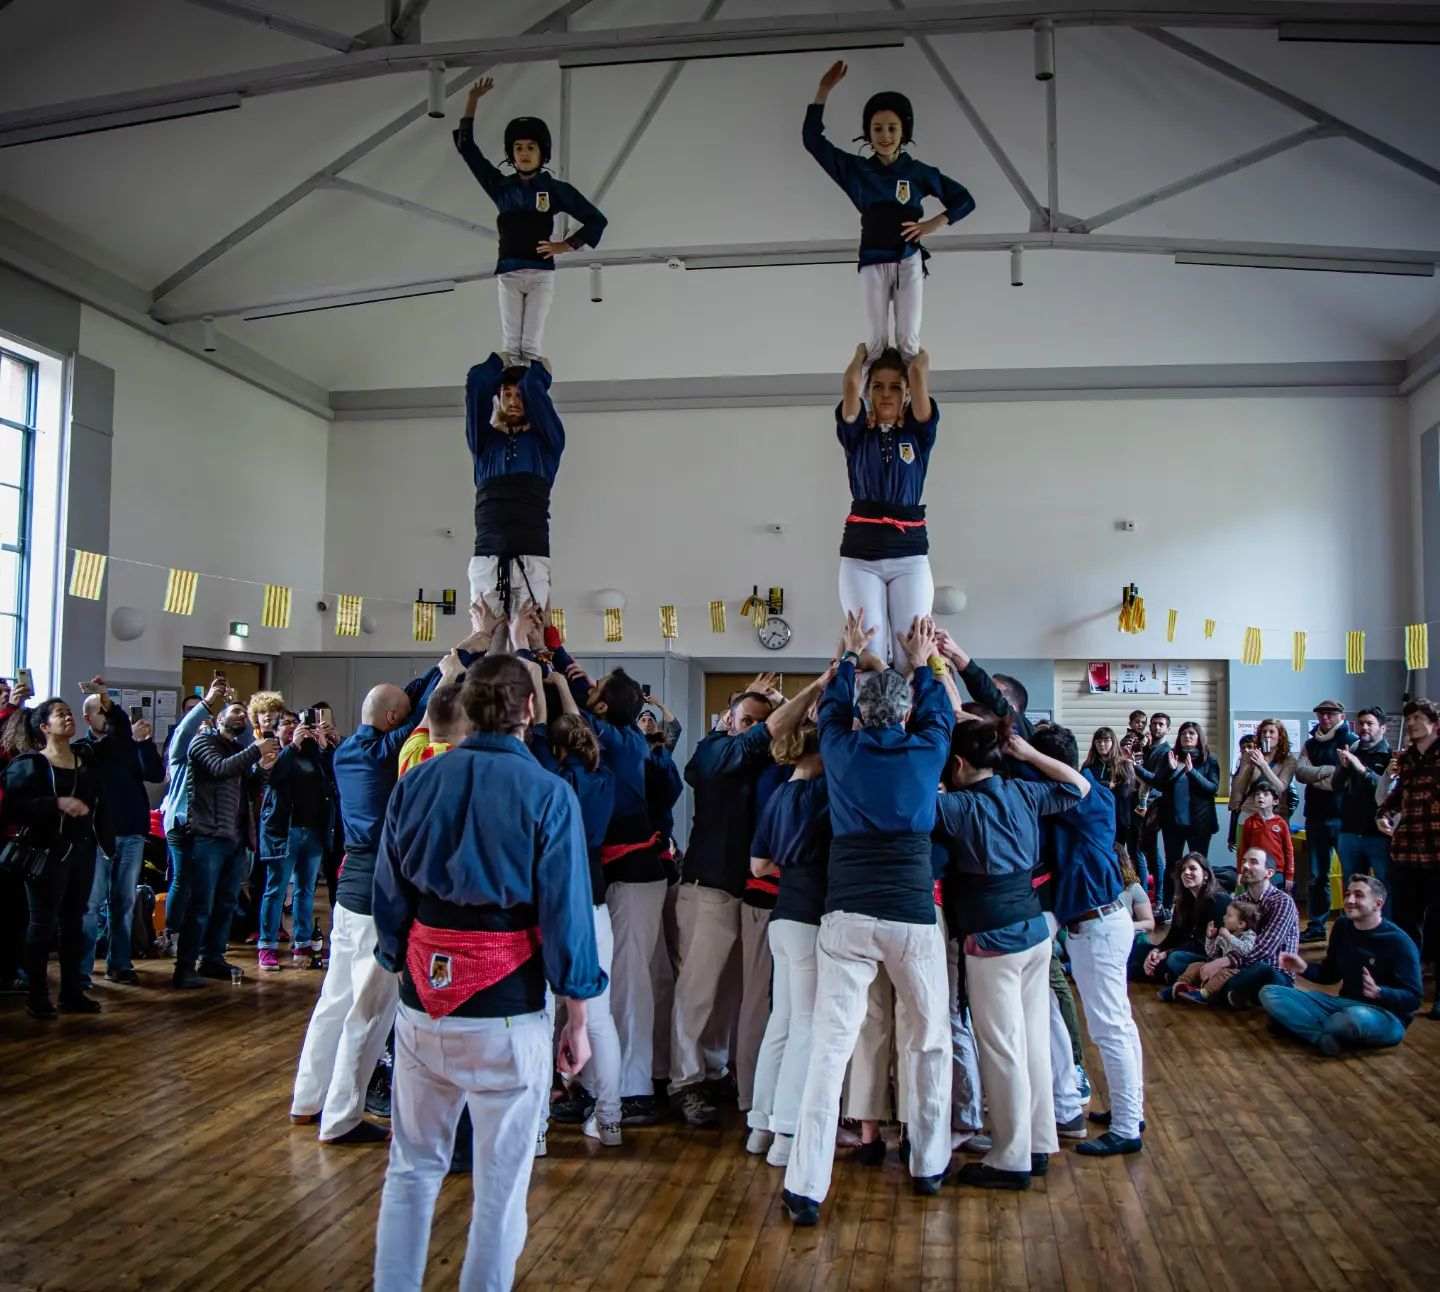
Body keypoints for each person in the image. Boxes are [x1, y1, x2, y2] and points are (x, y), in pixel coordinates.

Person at [371, 655, 604, 1292]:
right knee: (501, 1185)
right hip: (507, 1006)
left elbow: (388, 897)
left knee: (412, 1169)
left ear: (468, 710)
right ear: (530, 710)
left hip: (423, 999)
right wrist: (577, 1014)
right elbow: (566, 914)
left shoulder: (415, 783)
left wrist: (398, 961)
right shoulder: (549, 793)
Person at [781, 613, 954, 1226]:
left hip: (846, 912)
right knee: (927, 1039)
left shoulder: (839, 748)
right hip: (911, 915)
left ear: (860, 717)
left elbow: (828, 709)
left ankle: (806, 1186)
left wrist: (852, 654)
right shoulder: (928, 749)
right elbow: (941, 714)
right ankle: (929, 1163)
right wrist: (926, 658)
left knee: (831, 1048)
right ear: (904, 717)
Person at [291, 652, 453, 1146]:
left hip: (348, 887)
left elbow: (413, 699)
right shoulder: (391, 753)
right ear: (392, 722)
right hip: (378, 892)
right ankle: (341, 1117)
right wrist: (458, 661)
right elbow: (426, 712)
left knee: (334, 1000)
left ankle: (308, 1099)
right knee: (369, 1010)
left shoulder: (345, 752)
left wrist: (447, 662)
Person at [932, 715, 1088, 1192]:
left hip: (992, 936)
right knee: (1032, 1042)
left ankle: (1011, 1157)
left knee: (1001, 1049)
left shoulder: (957, 807)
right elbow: (1080, 786)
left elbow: (906, 807)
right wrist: (1029, 754)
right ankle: (1039, 1142)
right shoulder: (1023, 792)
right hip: (1035, 933)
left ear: (957, 763)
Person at [667, 674, 784, 1129]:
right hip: (707, 887)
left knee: (732, 995)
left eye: (762, 721)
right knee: (696, 991)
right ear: (730, 722)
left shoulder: (765, 762)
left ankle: (715, 1070)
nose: (753, 728)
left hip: (750, 893)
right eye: (746, 720)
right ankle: (685, 1079)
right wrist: (738, 726)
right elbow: (713, 763)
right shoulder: (714, 752)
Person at [804, 60, 975, 363]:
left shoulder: (918, 172)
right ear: (868, 134)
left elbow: (964, 199)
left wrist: (933, 223)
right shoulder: (856, 171)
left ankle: (913, 402)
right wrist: (823, 91)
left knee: (908, 341)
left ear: (904, 131)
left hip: (908, 258)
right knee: (876, 342)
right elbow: (813, 141)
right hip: (872, 259)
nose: (885, 135)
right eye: (878, 128)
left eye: (892, 128)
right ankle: (870, 406)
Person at [1029, 724, 1144, 1157]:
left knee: (1109, 1027)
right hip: (1096, 924)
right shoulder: (1083, 794)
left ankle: (1128, 1126)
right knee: (1119, 1024)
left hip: (1097, 926)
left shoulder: (1085, 797)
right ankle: (1129, 1110)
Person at [454, 76, 607, 365]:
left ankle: (534, 393)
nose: (524, 153)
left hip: (540, 275)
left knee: (531, 347)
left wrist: (568, 245)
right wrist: (472, 102)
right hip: (509, 274)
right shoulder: (501, 188)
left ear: (542, 152)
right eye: (519, 148)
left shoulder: (555, 189)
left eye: (531, 147)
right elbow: (468, 150)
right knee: (511, 348)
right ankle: (510, 403)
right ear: (511, 155)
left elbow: (596, 220)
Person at [532, 711, 623, 1147]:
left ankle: (537, 1131)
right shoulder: (604, 779)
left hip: (553, 904)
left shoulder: (553, 779)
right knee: (600, 1020)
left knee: (543, 1015)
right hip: (596, 903)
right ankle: (610, 1120)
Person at [746, 722, 830, 1169]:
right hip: (812, 918)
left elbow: (759, 865)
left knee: (781, 1023)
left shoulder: (778, 795)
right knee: (806, 1026)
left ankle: (760, 1123)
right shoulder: (824, 797)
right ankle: (787, 1132)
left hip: (783, 917)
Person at [833, 342, 938, 665]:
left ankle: (915, 713)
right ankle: (871, 712)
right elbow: (850, 383)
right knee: (869, 648)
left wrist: (914, 355)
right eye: (878, 387)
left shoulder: (918, 434)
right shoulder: (856, 435)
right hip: (861, 556)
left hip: (909, 555)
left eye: (896, 387)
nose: (887, 394)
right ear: (868, 393)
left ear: (907, 393)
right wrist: (862, 355)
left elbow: (919, 371)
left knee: (913, 648)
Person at [2, 698, 101, 1019]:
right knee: (42, 926)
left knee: (75, 925)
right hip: (46, 854)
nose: (68, 718)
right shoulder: (30, 764)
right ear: (44, 727)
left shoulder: (84, 760)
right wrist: (56, 803)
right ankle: (38, 994)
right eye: (61, 715)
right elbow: (14, 808)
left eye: (70, 714)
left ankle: (72, 993)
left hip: (81, 852)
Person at [462, 347, 567, 642]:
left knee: (531, 634)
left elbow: (535, 389)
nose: (513, 401)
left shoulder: (545, 444)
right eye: (507, 394)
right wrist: (500, 361)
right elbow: (475, 386)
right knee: (484, 635)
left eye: (519, 395)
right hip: (487, 553)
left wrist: (534, 366)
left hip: (531, 551)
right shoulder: (485, 445)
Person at [173, 702, 277, 987]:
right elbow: (219, 769)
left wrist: (264, 770)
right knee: (201, 905)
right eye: (235, 711)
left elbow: (248, 787)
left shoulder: (237, 750)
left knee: (226, 902)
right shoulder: (203, 742)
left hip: (235, 837)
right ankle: (184, 967)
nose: (241, 715)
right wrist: (257, 750)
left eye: (244, 713)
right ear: (219, 719)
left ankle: (213, 958)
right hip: (208, 835)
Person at [1262, 875, 1423, 1054]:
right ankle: (1321, 1037)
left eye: (1359, 895)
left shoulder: (1398, 941)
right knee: (1270, 993)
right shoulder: (1342, 926)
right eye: (1347, 894)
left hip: (1384, 1015)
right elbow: (1330, 974)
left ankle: (1302, 1027)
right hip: (1342, 1004)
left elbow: (1414, 999)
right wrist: (1303, 968)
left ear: (1378, 904)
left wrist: (1380, 992)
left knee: (1349, 1019)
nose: (1350, 900)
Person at [73, 681, 164, 984]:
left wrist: (144, 744)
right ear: (88, 719)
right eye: (101, 712)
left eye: (107, 711)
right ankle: (82, 969)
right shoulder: (85, 750)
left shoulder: (128, 744)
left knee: (124, 902)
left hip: (132, 831)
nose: (107, 717)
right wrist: (126, 735)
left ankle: (120, 963)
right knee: (91, 903)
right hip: (100, 836)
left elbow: (154, 773)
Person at [257, 712, 338, 972]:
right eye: (286, 724)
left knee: (306, 889)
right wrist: (292, 746)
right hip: (285, 831)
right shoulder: (275, 755)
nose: (293, 728)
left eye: (297, 723)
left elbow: (332, 779)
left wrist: (325, 747)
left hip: (313, 830)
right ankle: (267, 945)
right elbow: (273, 778)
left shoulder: (314, 757)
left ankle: (303, 941)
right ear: (277, 731)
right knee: (276, 889)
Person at [1377, 698, 1440, 1018]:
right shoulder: (1408, 758)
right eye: (1409, 718)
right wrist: (1384, 811)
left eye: (1418, 717)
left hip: (1436, 850)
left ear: (1434, 722)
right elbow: (1399, 792)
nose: (1412, 723)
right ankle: (1407, 988)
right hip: (1406, 851)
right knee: (1405, 922)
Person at [160, 676, 230, 958]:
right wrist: (208, 703)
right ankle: (172, 932)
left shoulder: (218, 755)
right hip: (181, 822)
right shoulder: (180, 755)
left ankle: (201, 942)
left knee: (206, 886)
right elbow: (184, 731)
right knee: (182, 878)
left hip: (209, 826)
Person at [1184, 846, 1299, 1008]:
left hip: (1272, 971)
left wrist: (1224, 961)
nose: (1245, 866)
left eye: (1253, 862)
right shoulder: (1239, 900)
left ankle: (1219, 991)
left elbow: (1264, 950)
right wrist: (1214, 948)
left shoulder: (1282, 902)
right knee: (1182, 961)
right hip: (1238, 966)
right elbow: (1226, 942)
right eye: (1244, 861)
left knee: (1258, 970)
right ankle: (1226, 993)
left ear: (1269, 873)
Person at [1296, 700, 1357, 944]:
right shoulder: (1310, 743)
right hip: (1316, 817)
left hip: (1344, 818)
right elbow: (1300, 773)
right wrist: (1330, 773)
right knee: (1316, 876)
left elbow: (1348, 778)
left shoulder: (1352, 740)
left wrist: (1317, 775)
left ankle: (1350, 925)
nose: (1325, 718)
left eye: (1330, 714)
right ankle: (1317, 925)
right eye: (1321, 714)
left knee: (1350, 875)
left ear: (1340, 715)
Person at [1153, 721, 1219, 914]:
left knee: (1198, 867)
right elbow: (1159, 785)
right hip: (1173, 823)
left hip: (1199, 824)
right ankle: (1166, 907)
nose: (1187, 737)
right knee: (1172, 866)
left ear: (1199, 737)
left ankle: (1200, 907)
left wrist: (1192, 773)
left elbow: (1211, 788)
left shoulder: (1210, 760)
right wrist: (1170, 770)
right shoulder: (1171, 757)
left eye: (1191, 734)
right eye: (1183, 734)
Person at [1137, 853, 1231, 985]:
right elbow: (1173, 936)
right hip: (1184, 950)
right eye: (1183, 870)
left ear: (1205, 874)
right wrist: (1157, 950)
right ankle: (1163, 974)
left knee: (1174, 959)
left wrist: (1167, 953)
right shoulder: (1183, 901)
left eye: (1192, 868)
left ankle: (1163, 974)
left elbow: (1205, 945)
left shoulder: (1218, 900)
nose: (1186, 872)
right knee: (1140, 946)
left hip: (1209, 956)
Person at [1334, 706, 1391, 887]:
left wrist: (1360, 768)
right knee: (1352, 885)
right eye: (1361, 723)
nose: (1364, 727)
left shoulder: (1390, 756)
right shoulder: (1352, 751)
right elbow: (1336, 785)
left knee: (1384, 884)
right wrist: (1343, 767)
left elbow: (1384, 790)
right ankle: (1352, 917)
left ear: (1382, 728)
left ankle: (1385, 917)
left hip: (1378, 834)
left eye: (1370, 723)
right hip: (1350, 830)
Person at [1170, 899, 1259, 1002]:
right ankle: (1180, 985)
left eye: (1229, 915)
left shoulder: (1249, 935)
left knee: (1223, 974)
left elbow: (1246, 950)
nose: (1224, 917)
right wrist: (1210, 938)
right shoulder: (1223, 934)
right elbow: (1211, 953)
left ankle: (1204, 994)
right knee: (1195, 966)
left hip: (1237, 970)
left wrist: (1229, 937)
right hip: (1218, 966)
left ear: (1241, 924)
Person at [1230, 718, 1297, 840]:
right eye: (1264, 732)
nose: (1267, 735)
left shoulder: (1289, 760)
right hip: (1249, 813)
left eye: (1271, 732)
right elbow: (1238, 789)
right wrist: (1246, 764)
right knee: (1246, 857)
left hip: (1275, 815)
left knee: (1273, 857)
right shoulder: (1251, 756)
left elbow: (1281, 787)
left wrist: (1263, 765)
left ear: (1280, 736)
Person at [1132, 713, 1172, 914]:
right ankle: (1145, 896)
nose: (1156, 727)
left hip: (1154, 804)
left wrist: (1134, 766)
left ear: (1167, 728)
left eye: (1161, 725)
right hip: (1139, 803)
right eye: (1154, 724)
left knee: (1152, 853)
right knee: (1140, 850)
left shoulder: (1167, 752)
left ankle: (1159, 899)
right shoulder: (1146, 748)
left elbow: (1155, 779)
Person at [1084, 728, 1136, 852]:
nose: (1102, 744)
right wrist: (1108, 785)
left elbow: (1124, 792)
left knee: (1117, 855)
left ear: (1113, 742)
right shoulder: (1088, 766)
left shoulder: (1124, 765)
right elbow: (1084, 789)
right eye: (1098, 741)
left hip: (1118, 819)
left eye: (1106, 740)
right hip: (1094, 818)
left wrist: (1097, 786)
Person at [1239, 783, 1295, 891]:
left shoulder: (1281, 823)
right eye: (1257, 794)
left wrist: (1289, 875)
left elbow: (1289, 850)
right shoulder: (1249, 822)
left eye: (1265, 794)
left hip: (1276, 871)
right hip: (1253, 870)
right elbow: (1243, 849)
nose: (1260, 797)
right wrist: (1240, 871)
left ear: (1275, 801)